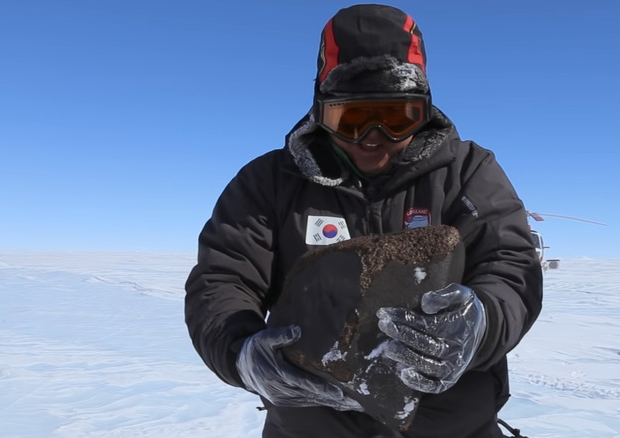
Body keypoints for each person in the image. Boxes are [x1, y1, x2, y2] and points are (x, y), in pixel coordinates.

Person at [184, 4, 543, 438]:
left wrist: (482, 321)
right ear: (321, 109)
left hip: (453, 427)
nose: (374, 138)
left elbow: (510, 265)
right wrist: (240, 352)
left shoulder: (468, 171)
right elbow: (223, 280)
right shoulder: (269, 182)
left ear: (424, 111)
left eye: (396, 118)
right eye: (351, 119)